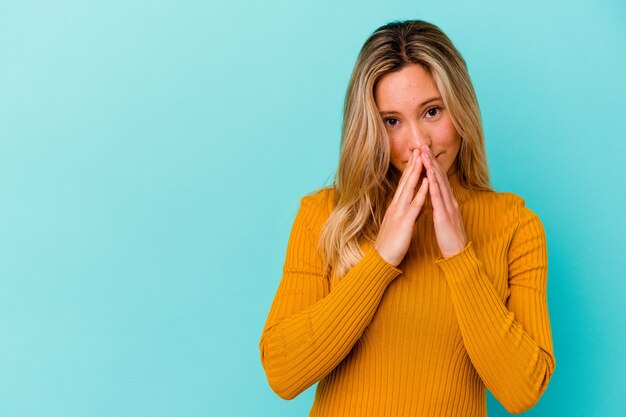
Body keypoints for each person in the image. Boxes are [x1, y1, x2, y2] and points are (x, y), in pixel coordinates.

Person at [258, 19, 556, 417]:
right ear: (370, 128)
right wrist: (379, 261)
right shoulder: (324, 216)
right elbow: (283, 373)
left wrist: (459, 255)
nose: (419, 143)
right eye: (392, 121)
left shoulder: (515, 226)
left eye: (432, 111)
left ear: (462, 108)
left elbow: (522, 391)